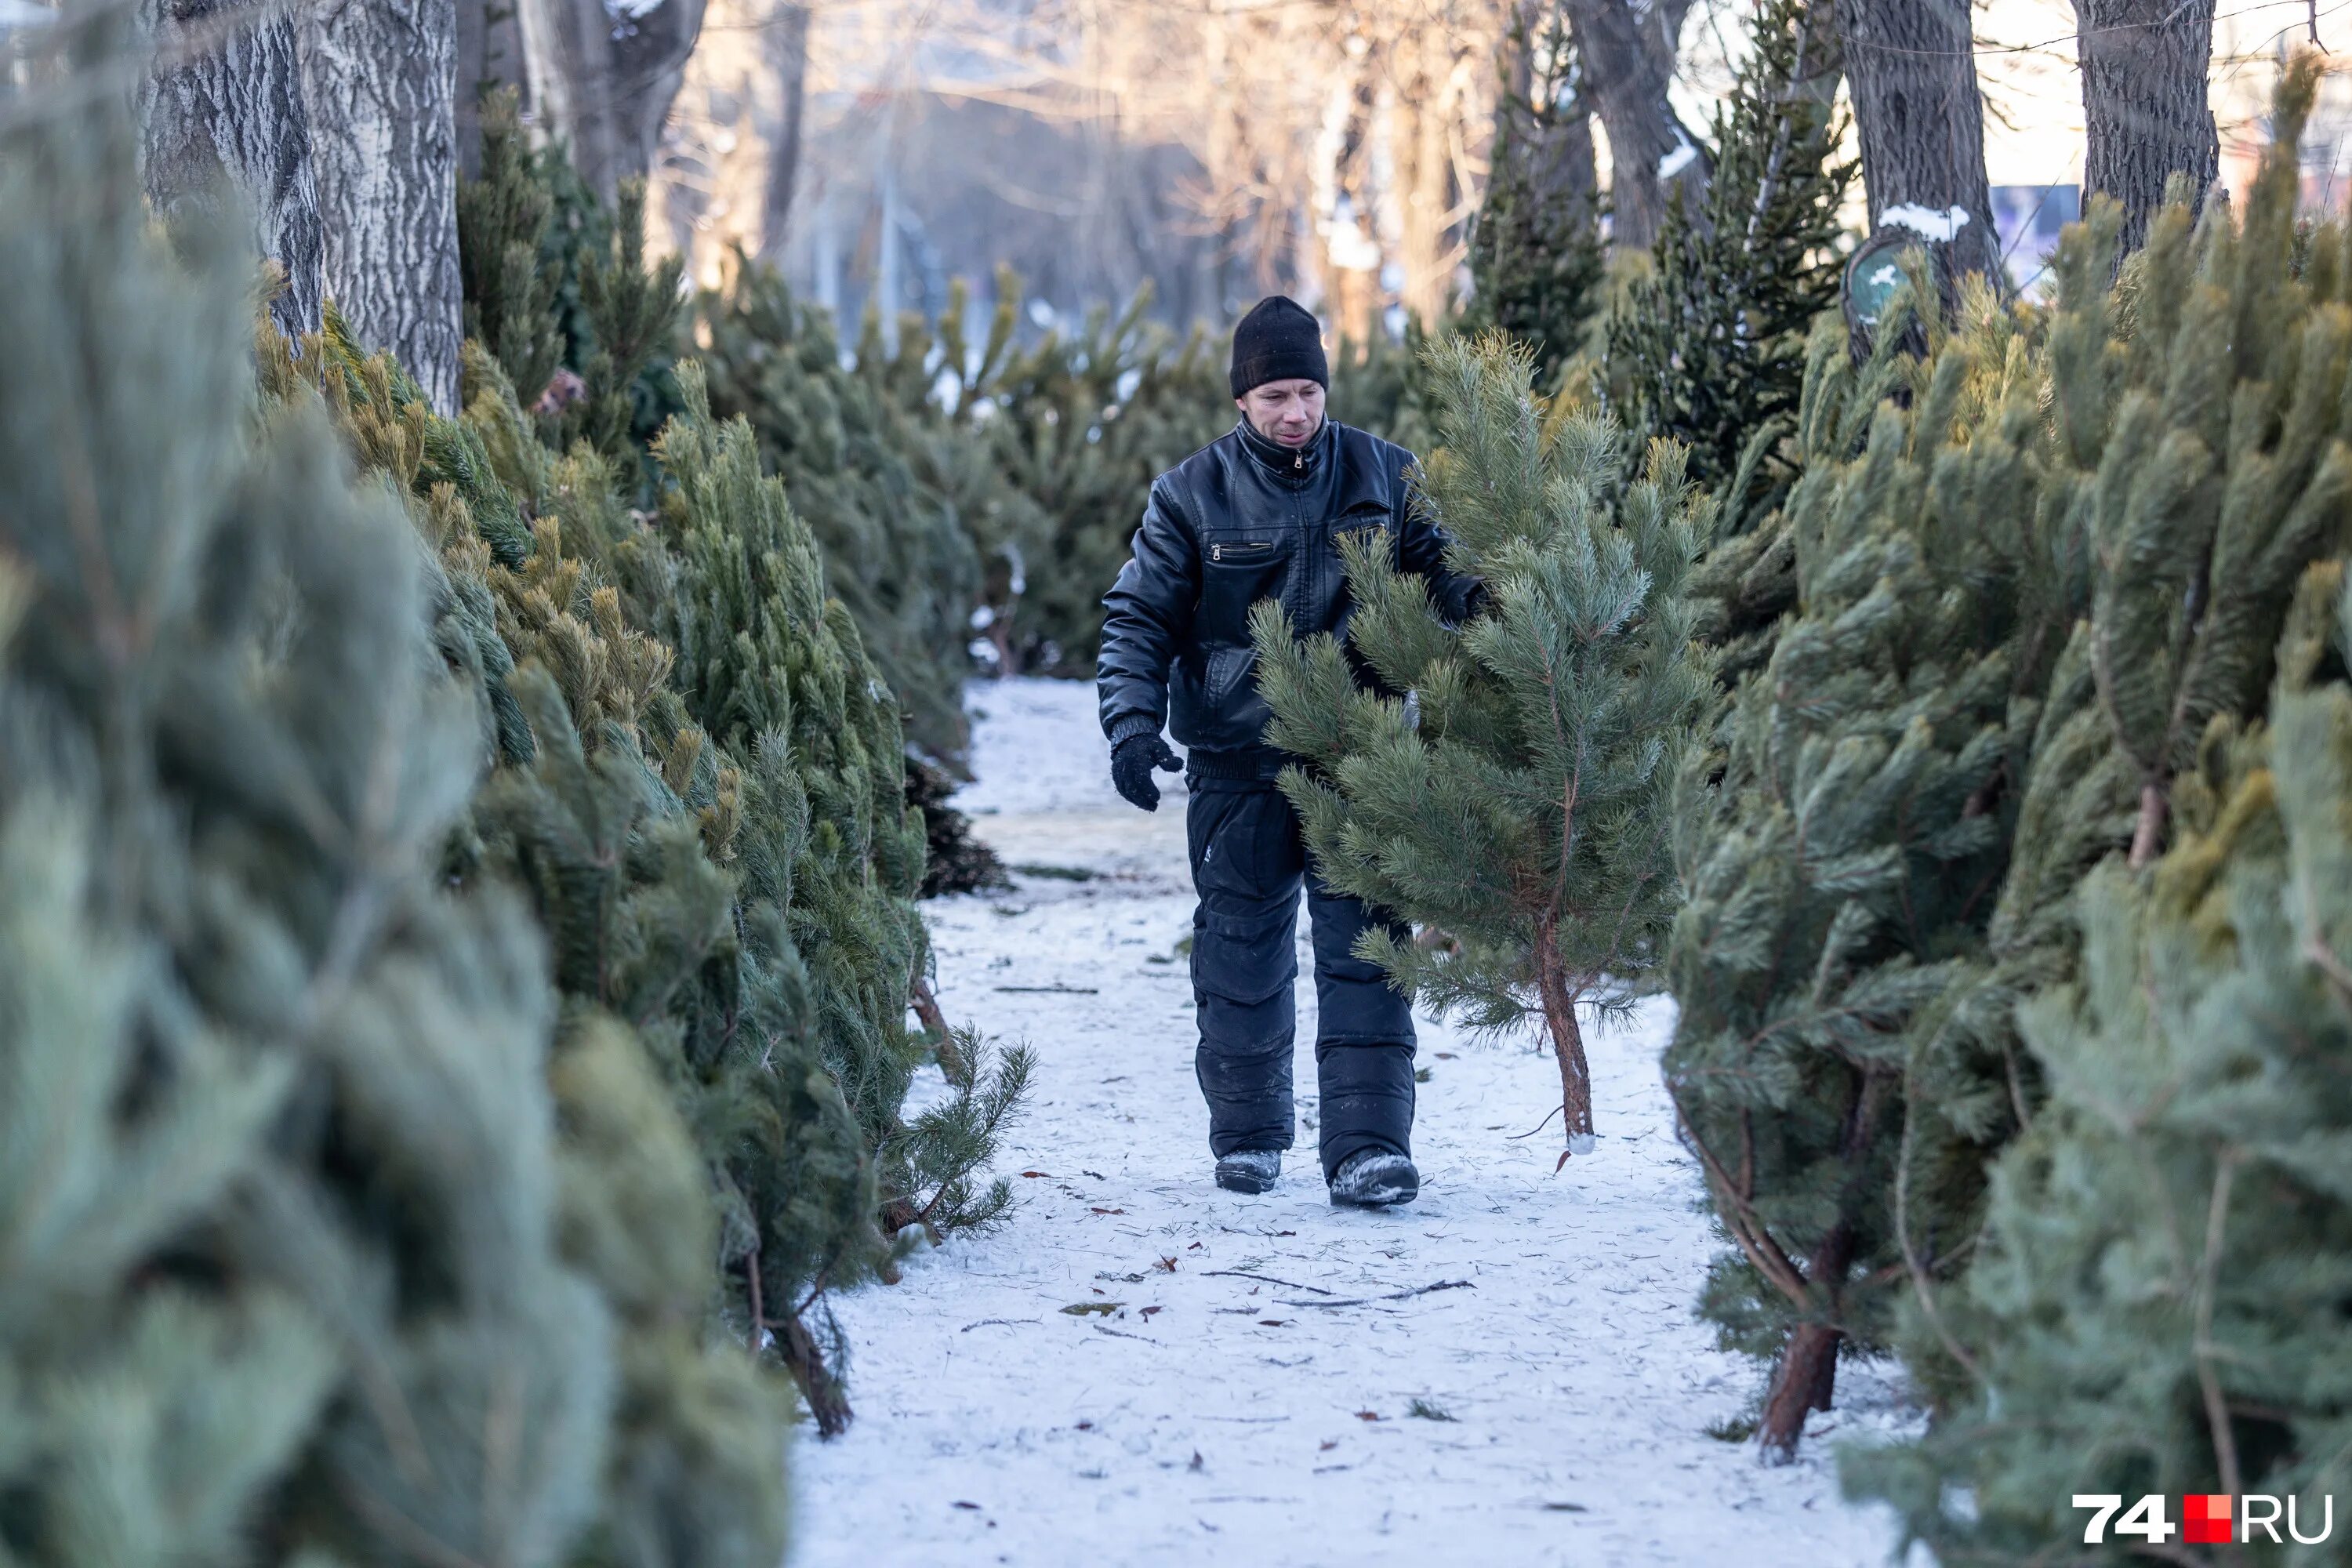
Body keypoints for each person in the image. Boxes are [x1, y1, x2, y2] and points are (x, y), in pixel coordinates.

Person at [1094, 296, 1480, 1208]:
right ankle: (1250, 1136)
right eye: (1275, 395)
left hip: (1363, 754)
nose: (1295, 411)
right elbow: (1138, 617)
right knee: (1239, 955)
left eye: (1307, 390)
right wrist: (1131, 724)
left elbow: (1450, 574)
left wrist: (1498, 621)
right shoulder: (1191, 493)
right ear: (1242, 400)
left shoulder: (1385, 475)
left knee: (1368, 957)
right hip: (1239, 761)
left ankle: (1368, 1148)